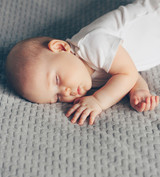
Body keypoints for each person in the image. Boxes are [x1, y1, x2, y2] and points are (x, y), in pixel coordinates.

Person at [6, 0, 160, 125]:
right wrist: (139, 91)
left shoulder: (92, 43)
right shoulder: (84, 75)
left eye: (57, 80)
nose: (66, 92)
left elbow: (127, 73)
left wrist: (99, 101)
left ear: (60, 47)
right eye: (57, 97)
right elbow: (125, 70)